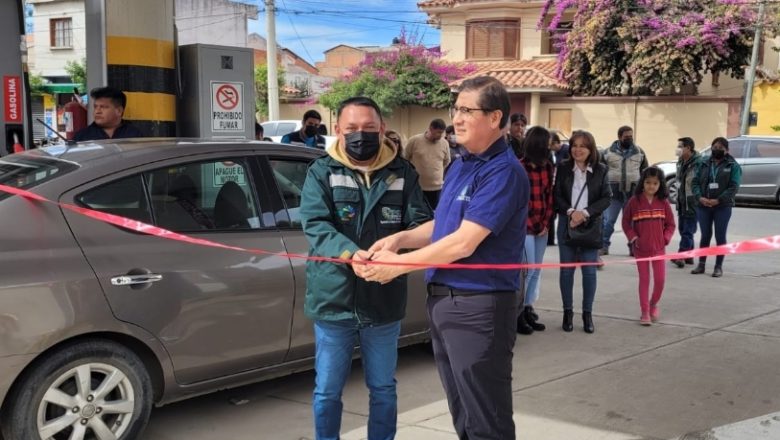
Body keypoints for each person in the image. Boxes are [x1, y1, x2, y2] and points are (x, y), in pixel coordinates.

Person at [356, 76, 529, 439]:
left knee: (486, 417)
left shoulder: (504, 172)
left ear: (495, 117)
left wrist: (398, 266)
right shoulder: (463, 164)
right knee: (463, 411)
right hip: (443, 299)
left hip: (479, 305)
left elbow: (464, 242)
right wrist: (400, 239)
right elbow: (444, 225)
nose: (458, 118)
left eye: (468, 110)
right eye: (456, 110)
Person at [299, 96, 432, 440]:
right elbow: (315, 224)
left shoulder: (402, 173)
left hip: (383, 300)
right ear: (339, 130)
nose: (361, 135)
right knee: (327, 391)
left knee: (383, 388)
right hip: (334, 301)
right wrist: (350, 253)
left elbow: (422, 224)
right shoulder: (322, 171)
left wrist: (399, 244)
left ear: (382, 129)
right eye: (353, 129)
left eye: (369, 129)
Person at [555, 130, 612, 333]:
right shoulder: (562, 168)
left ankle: (587, 314)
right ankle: (567, 312)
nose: (578, 150)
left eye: (583, 146)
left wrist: (585, 213)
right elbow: (557, 196)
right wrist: (571, 212)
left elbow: (606, 198)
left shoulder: (601, 170)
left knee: (589, 273)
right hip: (567, 225)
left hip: (590, 227)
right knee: (566, 271)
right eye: (574, 145)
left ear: (591, 149)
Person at [622, 167, 676, 326]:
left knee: (660, 280)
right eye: (648, 182)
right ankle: (645, 311)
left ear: (660, 184)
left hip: (659, 249)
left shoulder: (664, 202)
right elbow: (625, 223)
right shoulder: (634, 201)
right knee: (644, 280)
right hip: (641, 249)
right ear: (642, 183)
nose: (651, 186)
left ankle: (653, 304)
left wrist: (665, 238)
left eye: (655, 183)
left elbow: (671, 224)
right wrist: (633, 238)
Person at [516, 126, 554, 335]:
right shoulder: (520, 167)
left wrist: (546, 222)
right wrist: (532, 224)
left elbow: (549, 196)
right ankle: (518, 314)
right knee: (527, 271)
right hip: (525, 228)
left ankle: (529, 308)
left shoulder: (548, 166)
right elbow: (520, 201)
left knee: (537, 270)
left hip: (542, 227)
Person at [690, 137, 742, 278]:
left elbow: (734, 187)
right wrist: (700, 197)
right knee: (705, 235)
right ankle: (701, 265)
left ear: (727, 150)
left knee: (720, 236)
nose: (717, 150)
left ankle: (718, 267)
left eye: (720, 148)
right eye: (714, 147)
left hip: (722, 206)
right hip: (703, 205)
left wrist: (718, 200)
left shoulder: (733, 165)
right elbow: (694, 182)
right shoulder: (703, 163)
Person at [600, 125, 648, 258]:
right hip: (613, 194)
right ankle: (603, 246)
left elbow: (645, 171)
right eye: (626, 137)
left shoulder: (639, 152)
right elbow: (600, 172)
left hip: (633, 194)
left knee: (632, 222)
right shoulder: (607, 152)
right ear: (619, 137)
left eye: (631, 136)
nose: (629, 139)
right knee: (609, 221)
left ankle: (633, 247)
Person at [403, 118, 451, 209]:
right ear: (431, 128)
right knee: (418, 213)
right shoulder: (414, 141)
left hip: (437, 188)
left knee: (434, 215)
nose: (440, 135)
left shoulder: (444, 143)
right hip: (418, 187)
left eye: (442, 133)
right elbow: (405, 159)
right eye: (438, 132)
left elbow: (446, 161)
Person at [670, 137, 702, 268]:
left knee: (688, 230)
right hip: (682, 201)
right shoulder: (681, 161)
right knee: (684, 229)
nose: (678, 149)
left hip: (692, 201)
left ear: (688, 148)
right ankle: (689, 256)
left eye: (680, 146)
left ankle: (681, 255)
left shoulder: (699, 163)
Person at [72, 87, 144, 141]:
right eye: (95, 107)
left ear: (119, 111)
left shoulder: (135, 135)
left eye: (103, 107)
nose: (97, 111)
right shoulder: (81, 137)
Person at [547, 132, 570, 246]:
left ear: (556, 143)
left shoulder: (566, 151)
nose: (550, 148)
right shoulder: (556, 153)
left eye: (551, 145)